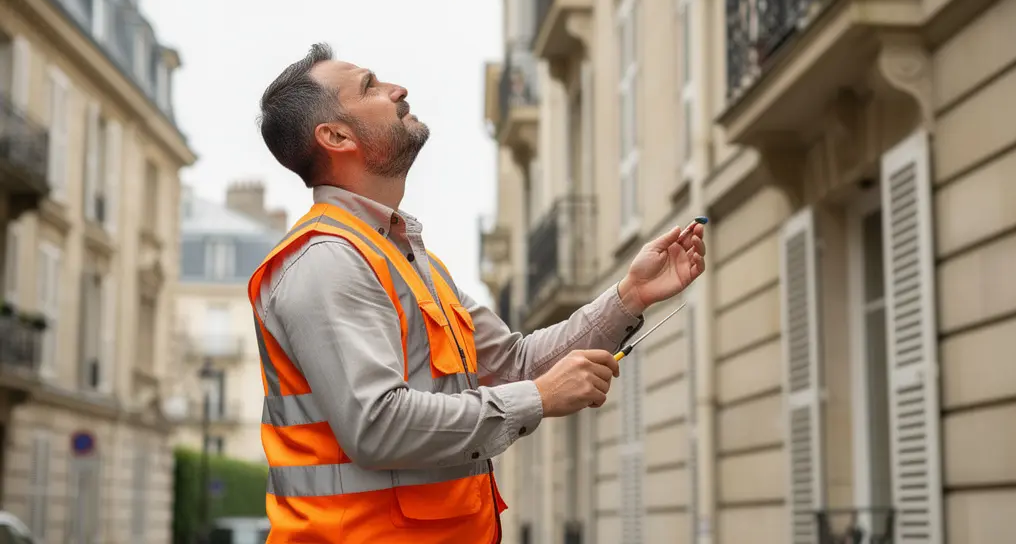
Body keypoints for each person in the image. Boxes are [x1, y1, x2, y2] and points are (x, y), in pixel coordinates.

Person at [248, 43, 706, 544]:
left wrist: (629, 296)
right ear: (335, 135)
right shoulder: (326, 261)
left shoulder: (407, 260)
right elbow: (377, 425)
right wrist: (538, 399)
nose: (397, 90)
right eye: (370, 87)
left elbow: (514, 362)